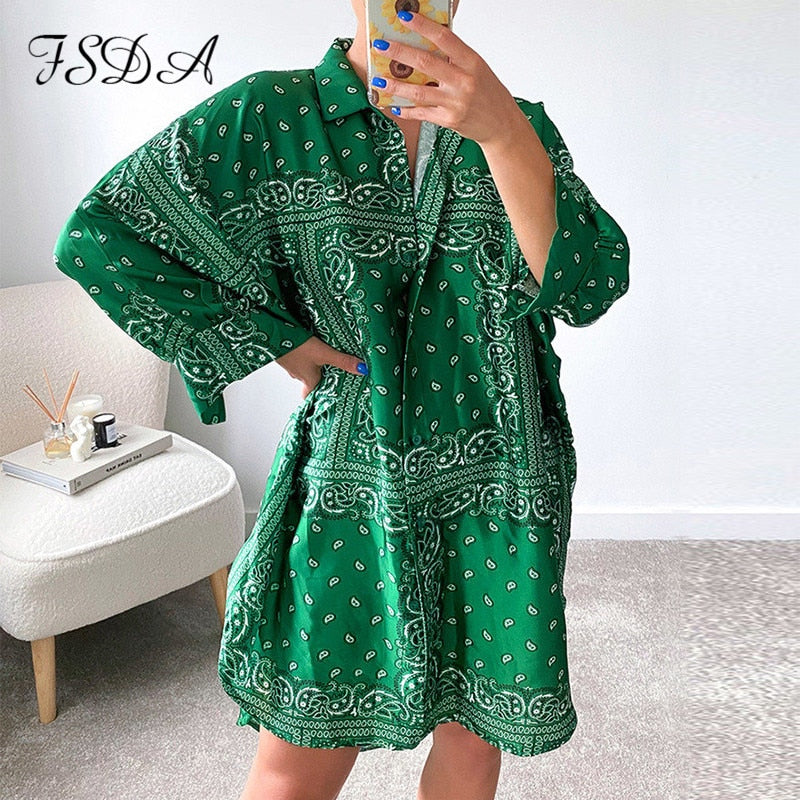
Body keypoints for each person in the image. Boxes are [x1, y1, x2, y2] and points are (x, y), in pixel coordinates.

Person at [52, 1, 630, 798]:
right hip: (354, 478)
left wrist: (501, 132)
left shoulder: (517, 122)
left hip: (506, 480)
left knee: (475, 740)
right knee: (297, 757)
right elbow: (103, 236)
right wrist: (272, 339)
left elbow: (590, 286)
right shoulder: (271, 113)